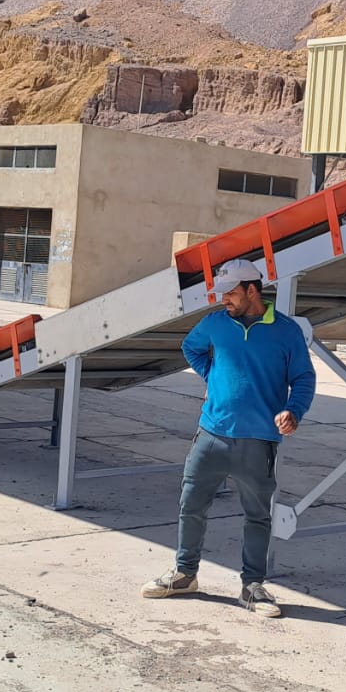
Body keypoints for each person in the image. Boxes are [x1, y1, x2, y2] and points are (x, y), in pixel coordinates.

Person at [141, 258, 316, 618]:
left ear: (252, 290)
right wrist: (213, 377)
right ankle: (185, 574)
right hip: (211, 433)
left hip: (258, 440)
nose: (224, 300)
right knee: (191, 505)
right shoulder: (215, 324)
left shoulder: (286, 331)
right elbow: (191, 347)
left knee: (257, 516)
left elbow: (303, 378)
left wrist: (293, 411)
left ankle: (252, 587)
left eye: (230, 293)